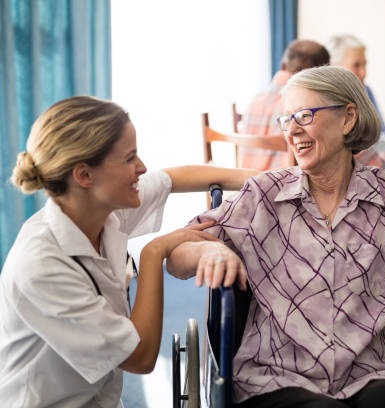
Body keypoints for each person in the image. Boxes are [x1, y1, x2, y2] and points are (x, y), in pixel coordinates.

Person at [167, 66, 385, 407]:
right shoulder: (264, 195)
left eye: (304, 115)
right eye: (286, 119)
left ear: (348, 119)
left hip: (373, 370)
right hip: (276, 373)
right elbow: (178, 253)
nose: (292, 130)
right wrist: (207, 253)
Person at [0, 96, 255, 407]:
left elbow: (172, 178)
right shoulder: (41, 266)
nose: (142, 167)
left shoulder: (100, 211)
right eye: (130, 158)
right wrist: (153, 253)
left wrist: (266, 180)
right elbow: (141, 357)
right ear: (84, 175)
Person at [237, 39, 330, 171]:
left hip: (245, 182)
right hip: (282, 185)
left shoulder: (255, 100)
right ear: (322, 74)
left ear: (283, 66)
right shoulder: (304, 106)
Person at [327, 34, 385, 170]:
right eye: (356, 65)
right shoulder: (323, 99)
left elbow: (384, 133)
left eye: (365, 65)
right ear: (334, 66)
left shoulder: (366, 91)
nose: (363, 72)